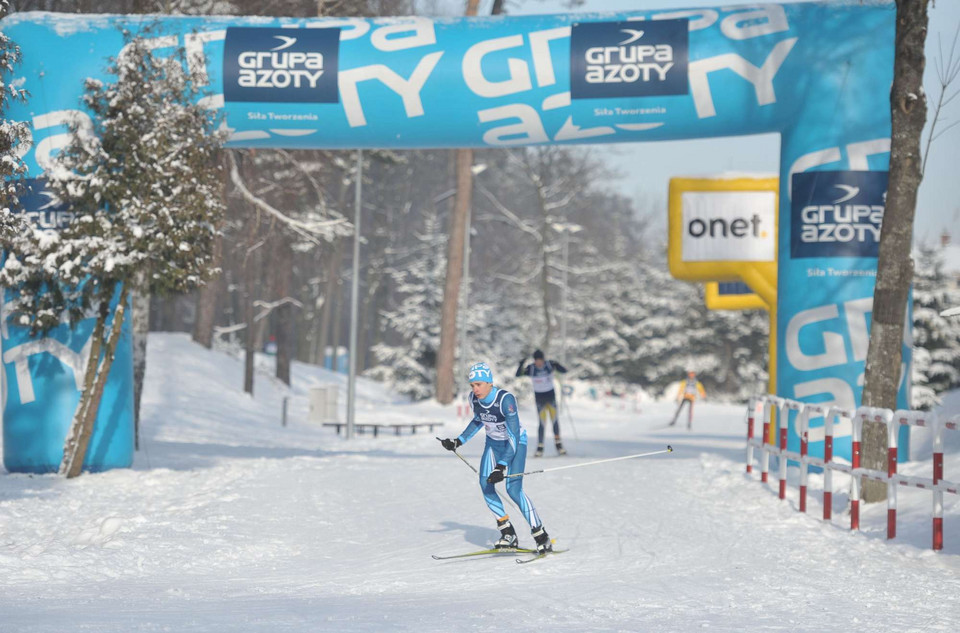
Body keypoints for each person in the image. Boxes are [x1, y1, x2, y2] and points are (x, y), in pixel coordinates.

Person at [438, 362, 553, 554]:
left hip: (515, 445)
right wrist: (459, 441)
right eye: (473, 385)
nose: (475, 389)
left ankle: (541, 535)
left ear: (490, 383)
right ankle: (507, 532)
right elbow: (478, 420)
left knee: (513, 490)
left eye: (479, 384)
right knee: (485, 484)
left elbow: (514, 437)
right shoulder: (474, 399)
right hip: (493, 445)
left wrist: (501, 467)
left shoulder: (505, 400)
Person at [516, 349, 568, 457]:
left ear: (543, 359)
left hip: (551, 398)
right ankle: (540, 447)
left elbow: (564, 371)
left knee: (554, 421)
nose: (538, 363)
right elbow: (518, 374)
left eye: (540, 360)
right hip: (540, 400)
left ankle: (559, 445)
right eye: (536, 360)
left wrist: (557, 365)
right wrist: (521, 364)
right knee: (542, 423)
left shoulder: (549, 365)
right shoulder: (531, 368)